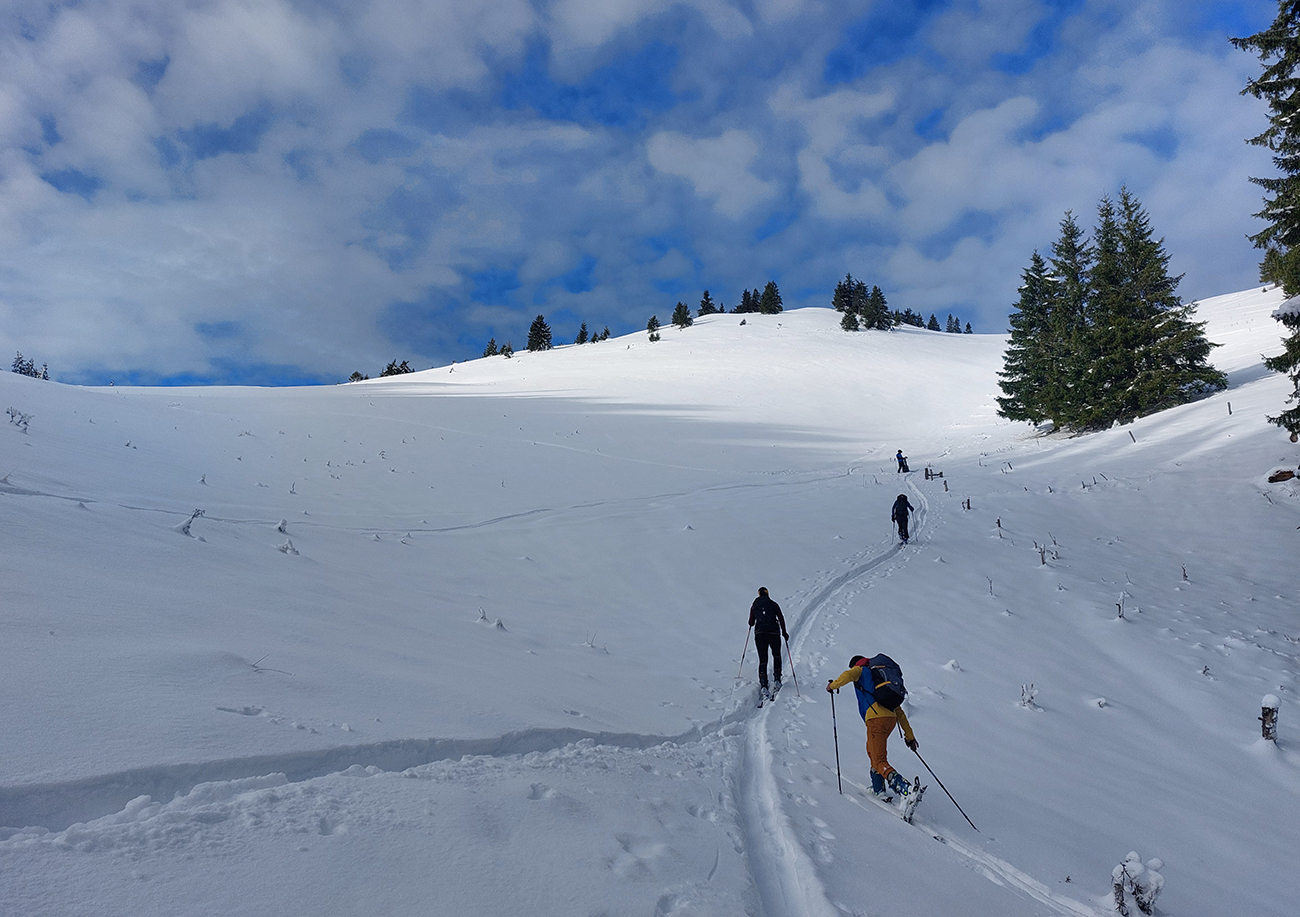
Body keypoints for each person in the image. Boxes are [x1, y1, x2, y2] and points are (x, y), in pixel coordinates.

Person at [826, 655, 917, 797]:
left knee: (879, 760)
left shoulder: (860, 670)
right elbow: (899, 712)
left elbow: (847, 675)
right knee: (872, 751)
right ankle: (878, 790)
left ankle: (906, 789)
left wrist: (832, 686)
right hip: (889, 720)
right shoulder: (880, 682)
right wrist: (909, 736)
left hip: (876, 720)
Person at [748, 587, 789, 697]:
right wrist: (784, 632)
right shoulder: (773, 604)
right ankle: (777, 678)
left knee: (763, 658)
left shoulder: (754, 605)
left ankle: (763, 683)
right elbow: (781, 618)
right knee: (776, 655)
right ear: (767, 594)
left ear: (759, 594)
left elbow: (751, 622)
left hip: (760, 634)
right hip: (773, 633)